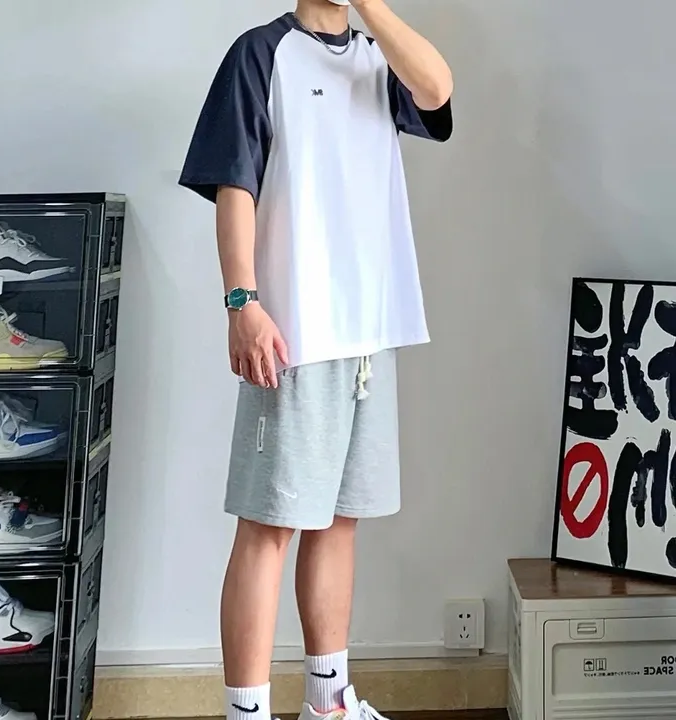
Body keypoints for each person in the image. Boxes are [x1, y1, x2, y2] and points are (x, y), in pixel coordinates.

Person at [179, 1, 453, 719]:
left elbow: (436, 89)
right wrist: (242, 301)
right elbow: (234, 186)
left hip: (369, 333)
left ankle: (328, 704)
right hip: (294, 331)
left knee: (340, 519)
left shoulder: (377, 56)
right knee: (269, 523)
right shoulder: (260, 54)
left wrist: (371, 8)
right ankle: (247, 713)